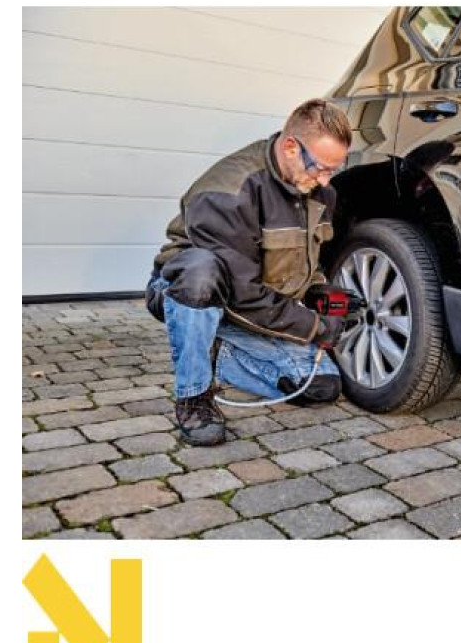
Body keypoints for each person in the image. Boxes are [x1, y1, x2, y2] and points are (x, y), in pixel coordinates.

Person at [145, 98, 354, 446]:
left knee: (320, 387)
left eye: (333, 169)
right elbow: (243, 293)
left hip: (253, 304)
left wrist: (319, 291)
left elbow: (306, 261)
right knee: (201, 272)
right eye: (320, 168)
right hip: (190, 291)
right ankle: (194, 395)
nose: (324, 179)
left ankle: (218, 349)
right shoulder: (228, 191)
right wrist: (314, 327)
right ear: (291, 147)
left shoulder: (318, 192)